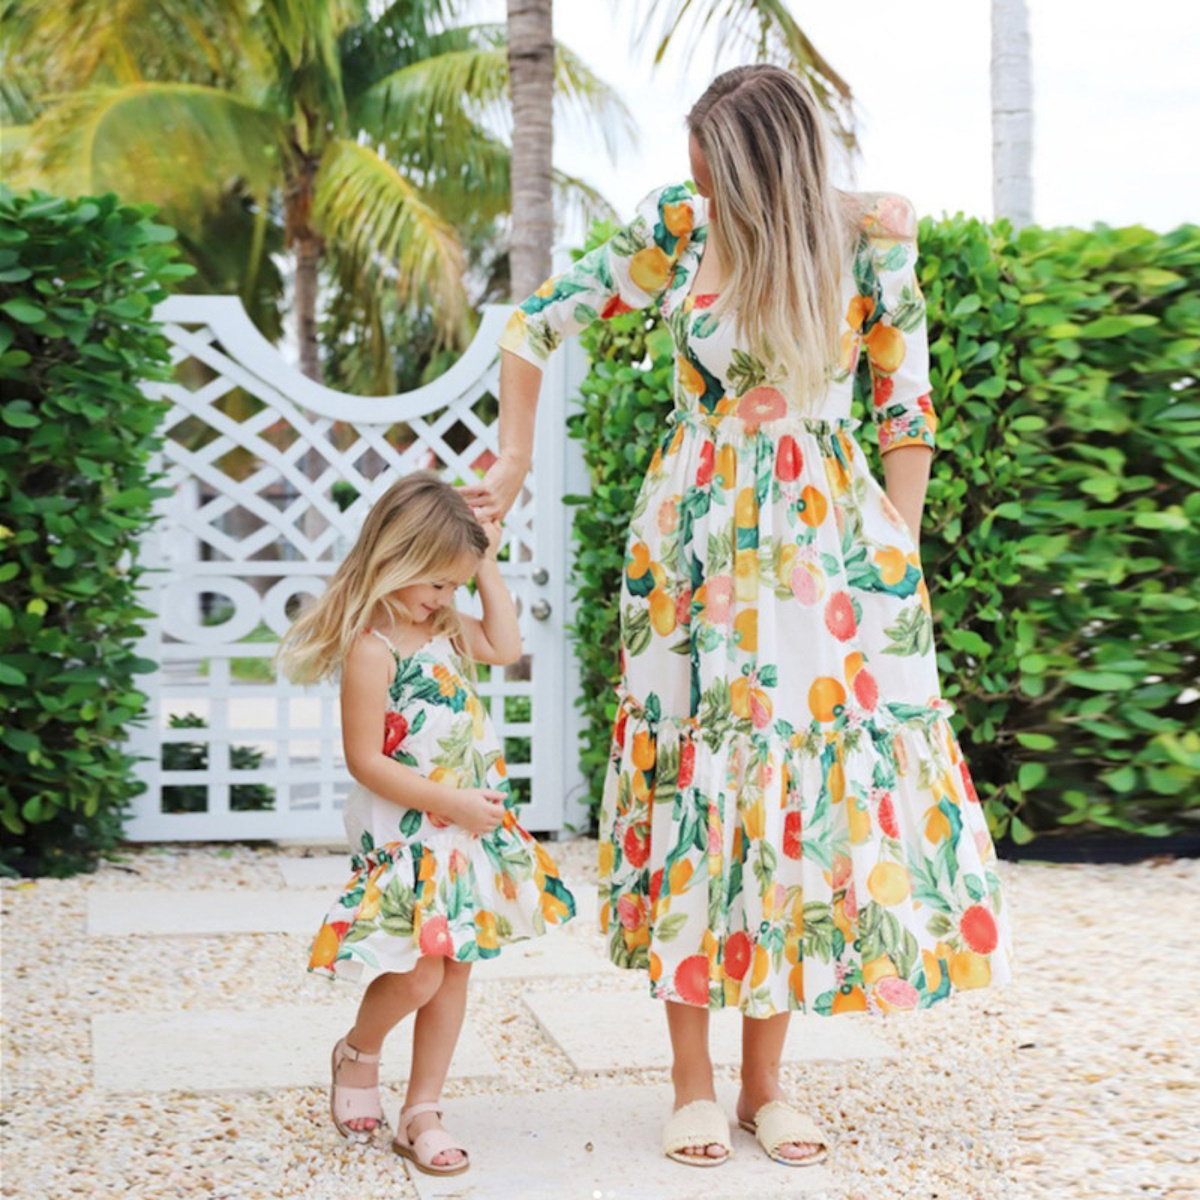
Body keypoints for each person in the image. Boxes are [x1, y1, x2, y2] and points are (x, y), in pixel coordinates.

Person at [462, 64, 1014, 1170]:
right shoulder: (679, 225)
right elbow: (534, 326)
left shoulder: (871, 241)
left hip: (827, 551)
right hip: (693, 545)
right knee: (697, 793)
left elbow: (906, 407)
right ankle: (691, 1082)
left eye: (707, 151)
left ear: (758, 157)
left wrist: (894, 550)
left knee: (793, 796)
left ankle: (767, 1084)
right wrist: (514, 460)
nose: (692, 170)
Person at [277, 469, 576, 1177]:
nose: (445, 598)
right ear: (395, 560)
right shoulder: (373, 648)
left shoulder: (441, 625)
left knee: (456, 969)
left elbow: (504, 647)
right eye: (436, 583)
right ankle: (358, 1051)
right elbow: (364, 761)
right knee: (417, 975)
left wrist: (487, 569)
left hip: (465, 830)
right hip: (410, 833)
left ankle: (423, 1110)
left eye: (454, 585)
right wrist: (448, 803)